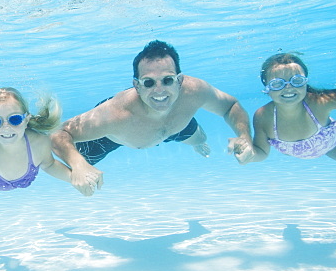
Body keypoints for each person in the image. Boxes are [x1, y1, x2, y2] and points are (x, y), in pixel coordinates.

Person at [51, 40, 256, 195]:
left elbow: (231, 105)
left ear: (180, 80)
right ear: (136, 85)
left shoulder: (194, 92)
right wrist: (77, 164)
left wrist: (244, 136)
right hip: (117, 134)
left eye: (167, 80)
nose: (160, 91)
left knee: (201, 139)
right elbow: (58, 133)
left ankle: (193, 142)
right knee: (77, 170)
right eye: (149, 83)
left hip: (175, 122)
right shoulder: (114, 115)